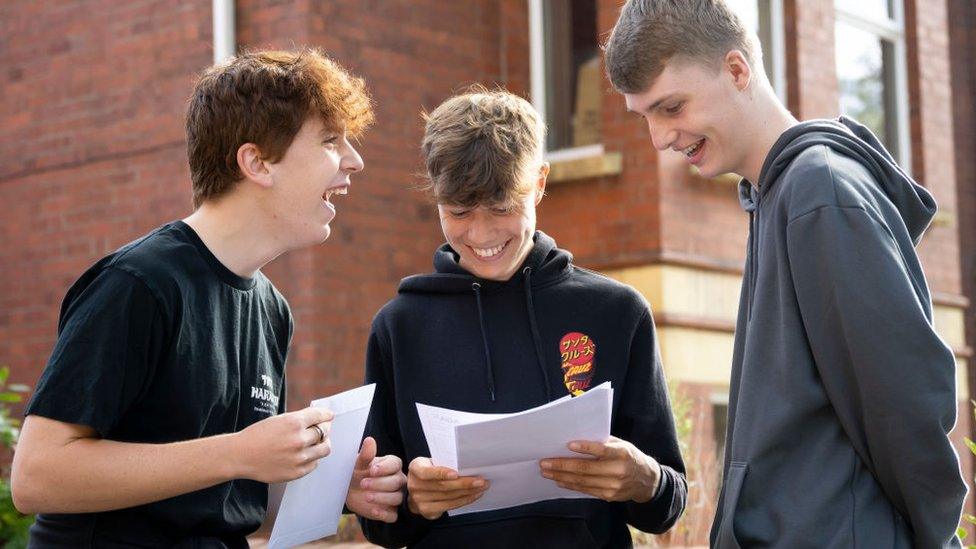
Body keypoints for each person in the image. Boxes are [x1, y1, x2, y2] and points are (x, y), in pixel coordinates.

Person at [604, 1, 967, 547]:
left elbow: (906, 409)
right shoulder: (776, 195)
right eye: (645, 117)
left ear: (736, 70)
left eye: (672, 107)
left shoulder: (819, 193)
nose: (659, 138)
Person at [11, 48, 406, 547]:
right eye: (330, 140)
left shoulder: (272, 309)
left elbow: (230, 489)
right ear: (256, 162)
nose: (355, 161)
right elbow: (37, 476)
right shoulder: (138, 284)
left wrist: (328, 485)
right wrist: (237, 452)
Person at [357, 88, 687, 548]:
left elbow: (666, 504)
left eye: (503, 207)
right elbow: (380, 522)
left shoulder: (616, 312)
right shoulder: (399, 327)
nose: (482, 233)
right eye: (459, 211)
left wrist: (645, 479)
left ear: (540, 182)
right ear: (436, 198)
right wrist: (412, 500)